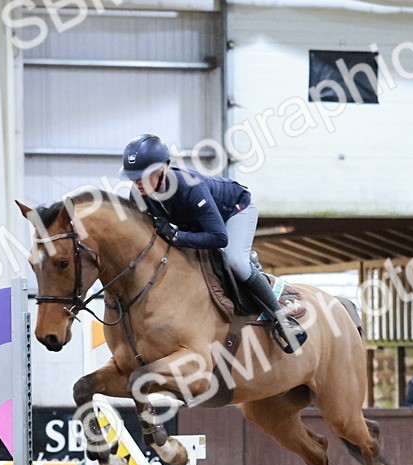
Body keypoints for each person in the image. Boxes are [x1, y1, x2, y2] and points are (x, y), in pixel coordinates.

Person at [118, 134, 306, 354]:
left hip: (234, 211)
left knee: (235, 261)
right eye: (133, 177)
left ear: (163, 169)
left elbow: (219, 237)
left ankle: (282, 320)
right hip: (197, 223)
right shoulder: (137, 196)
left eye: (142, 176)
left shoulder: (190, 187)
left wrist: (177, 236)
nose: (137, 182)